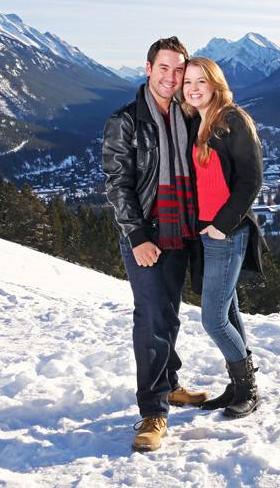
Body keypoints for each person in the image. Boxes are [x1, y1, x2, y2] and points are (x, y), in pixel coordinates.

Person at [102, 37, 207, 453]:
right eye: (163, 68)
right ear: (148, 69)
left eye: (178, 70)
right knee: (150, 320)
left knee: (170, 313)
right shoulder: (125, 121)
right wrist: (137, 235)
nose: (171, 77)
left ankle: (171, 384)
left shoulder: (187, 115)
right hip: (145, 234)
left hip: (179, 230)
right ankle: (152, 411)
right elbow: (118, 184)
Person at [181, 56, 268, 419]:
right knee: (228, 309)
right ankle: (237, 386)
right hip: (206, 232)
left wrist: (221, 225)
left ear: (216, 84)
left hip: (227, 233)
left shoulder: (232, 119)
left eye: (202, 81)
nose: (194, 88)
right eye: (188, 82)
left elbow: (251, 179)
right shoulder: (196, 121)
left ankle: (248, 387)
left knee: (213, 318)